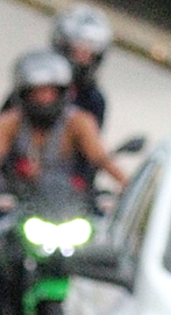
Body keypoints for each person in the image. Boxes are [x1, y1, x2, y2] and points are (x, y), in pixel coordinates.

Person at [0, 50, 126, 206]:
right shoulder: (9, 123)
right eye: (37, 92)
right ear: (24, 93)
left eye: (50, 91)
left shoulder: (79, 123)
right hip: (18, 203)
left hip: (67, 204)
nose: (44, 99)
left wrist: (126, 185)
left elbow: (101, 158)